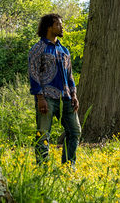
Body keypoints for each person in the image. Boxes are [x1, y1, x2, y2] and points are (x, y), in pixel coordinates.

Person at [28, 13, 81, 167]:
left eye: (61, 24)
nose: (61, 27)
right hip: (47, 98)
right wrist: (40, 98)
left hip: (66, 98)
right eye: (58, 24)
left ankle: (68, 167)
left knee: (75, 131)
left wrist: (74, 95)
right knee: (43, 134)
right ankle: (42, 169)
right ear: (48, 27)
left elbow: (70, 74)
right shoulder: (37, 49)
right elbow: (33, 75)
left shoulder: (65, 50)